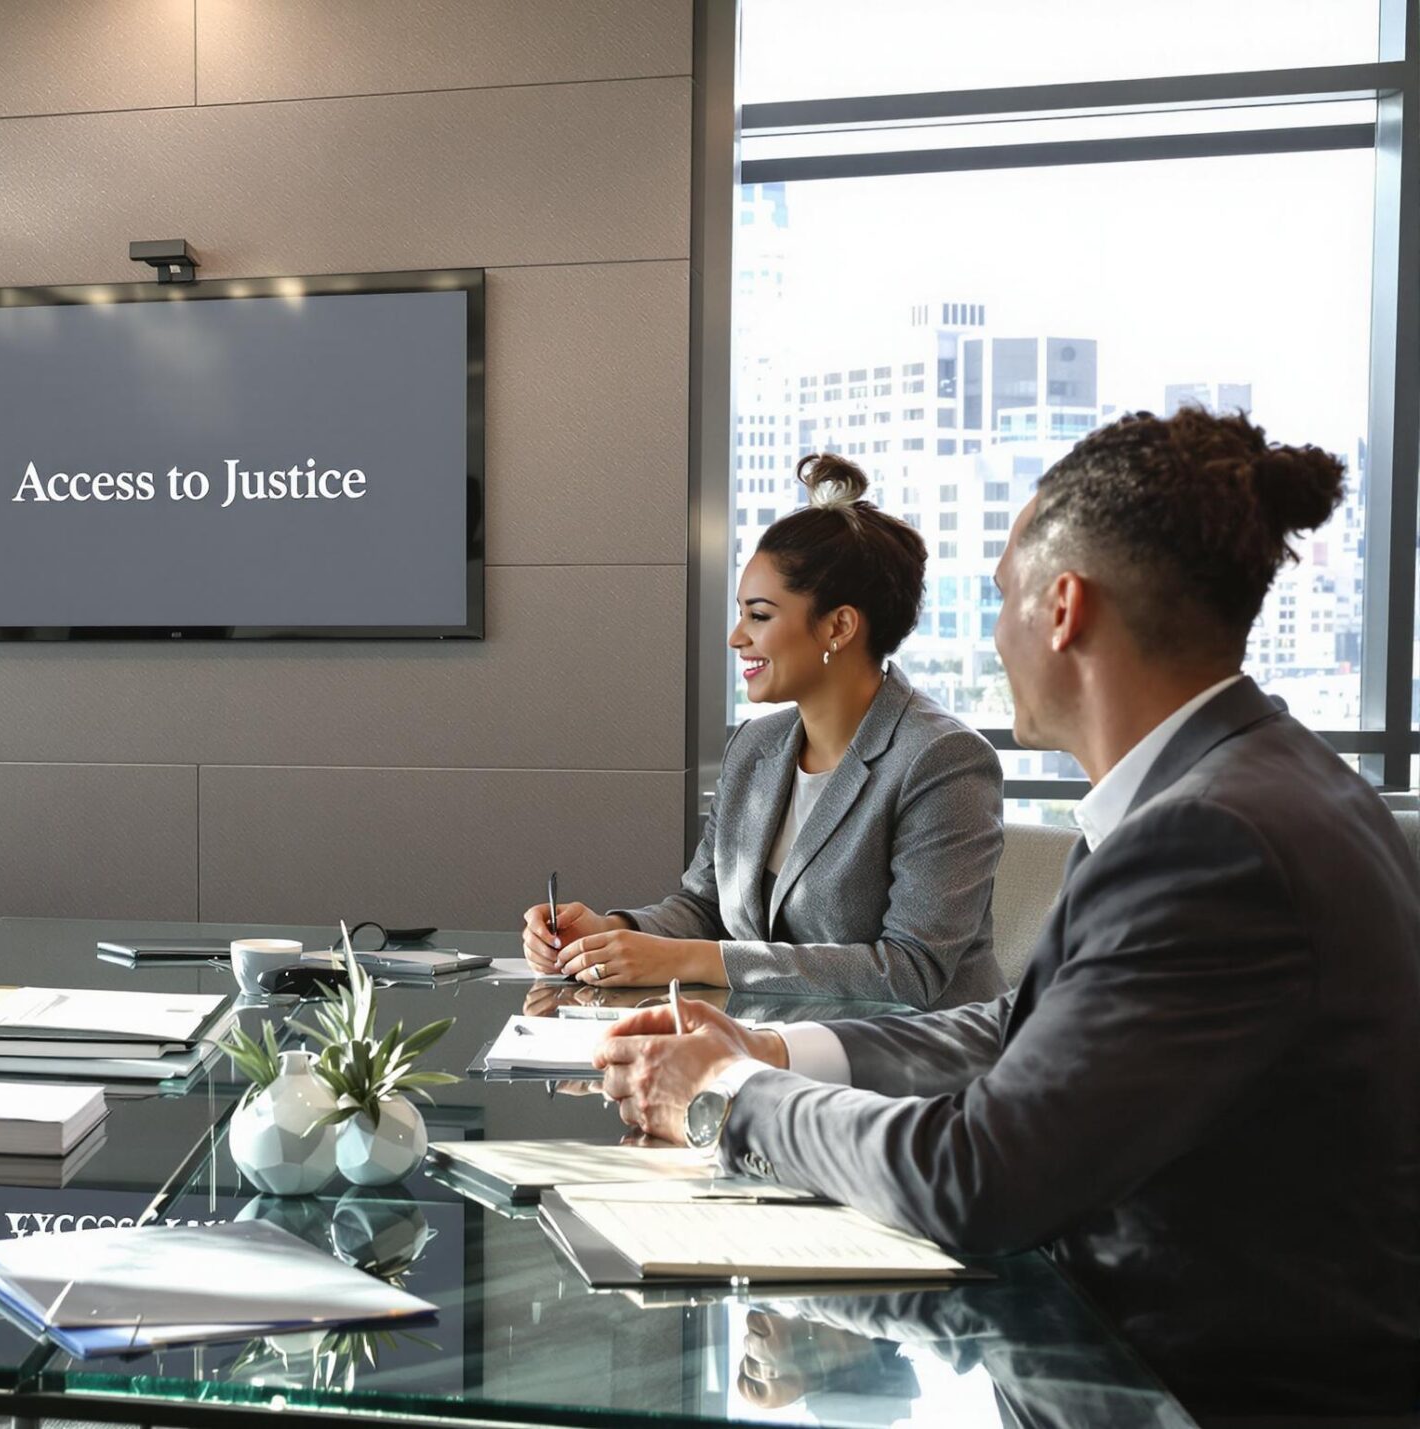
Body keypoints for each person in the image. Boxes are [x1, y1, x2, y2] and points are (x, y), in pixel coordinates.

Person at [594, 409, 1420, 1422]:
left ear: (1061, 606)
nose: (991, 635)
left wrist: (725, 1098)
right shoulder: (1230, 791)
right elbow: (1025, 1027)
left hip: (1186, 1391)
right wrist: (772, 1049)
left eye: (998, 599)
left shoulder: (1210, 841)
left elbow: (977, 1176)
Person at [524, 454, 1005, 1010]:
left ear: (838, 626)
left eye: (759, 615)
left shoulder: (942, 759)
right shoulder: (755, 747)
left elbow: (911, 971)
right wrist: (612, 932)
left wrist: (697, 960)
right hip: (775, 1049)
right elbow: (705, 906)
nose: (735, 637)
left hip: (914, 1068)